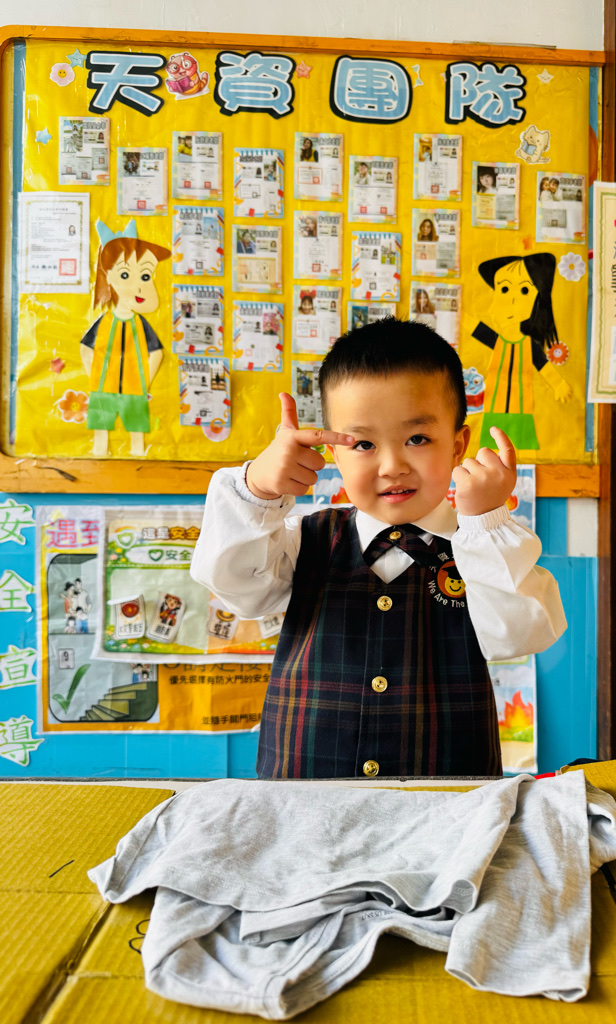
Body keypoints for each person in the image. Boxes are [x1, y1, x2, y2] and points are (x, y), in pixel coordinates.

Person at [191, 318, 566, 779]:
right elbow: (233, 585)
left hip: (447, 798)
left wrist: (486, 522)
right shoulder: (304, 539)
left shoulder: (484, 547)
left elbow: (520, 636)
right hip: (305, 795)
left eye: (417, 439)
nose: (392, 466)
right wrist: (256, 489)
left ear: (458, 446)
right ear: (334, 454)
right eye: (364, 443)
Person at [80, 219, 170, 458]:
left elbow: (157, 352)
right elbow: (86, 348)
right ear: (108, 276)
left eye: (144, 276)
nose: (137, 286)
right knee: (101, 429)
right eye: (125, 274)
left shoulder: (139, 323)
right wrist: (96, 376)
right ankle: (101, 453)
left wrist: (144, 380)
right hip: (103, 388)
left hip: (133, 388)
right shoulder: (105, 321)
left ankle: (137, 453)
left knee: (136, 430)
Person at [472, 253, 573, 452]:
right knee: (490, 445)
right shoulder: (497, 340)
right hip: (494, 407)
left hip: (521, 409)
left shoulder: (529, 344)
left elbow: (543, 365)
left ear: (537, 300)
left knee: (521, 443)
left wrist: (559, 384)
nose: (512, 299)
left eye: (525, 290)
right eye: (504, 289)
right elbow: (473, 326)